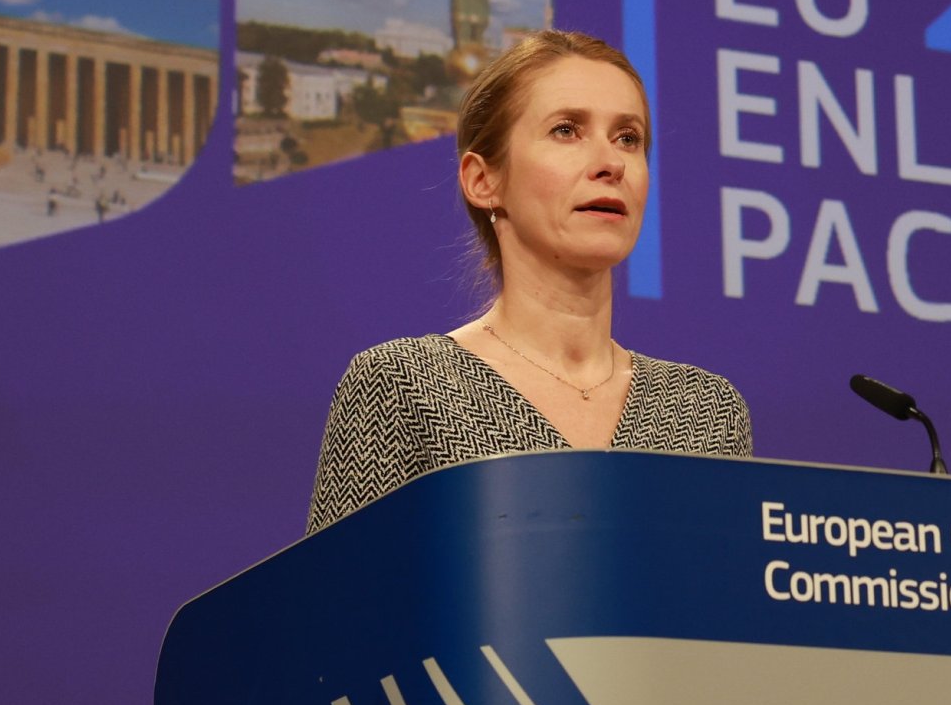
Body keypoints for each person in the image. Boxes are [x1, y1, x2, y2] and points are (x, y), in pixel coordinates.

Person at [306, 30, 751, 534]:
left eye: (629, 138)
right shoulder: (404, 386)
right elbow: (334, 607)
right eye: (566, 130)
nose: (611, 163)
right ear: (483, 181)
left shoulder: (705, 413)